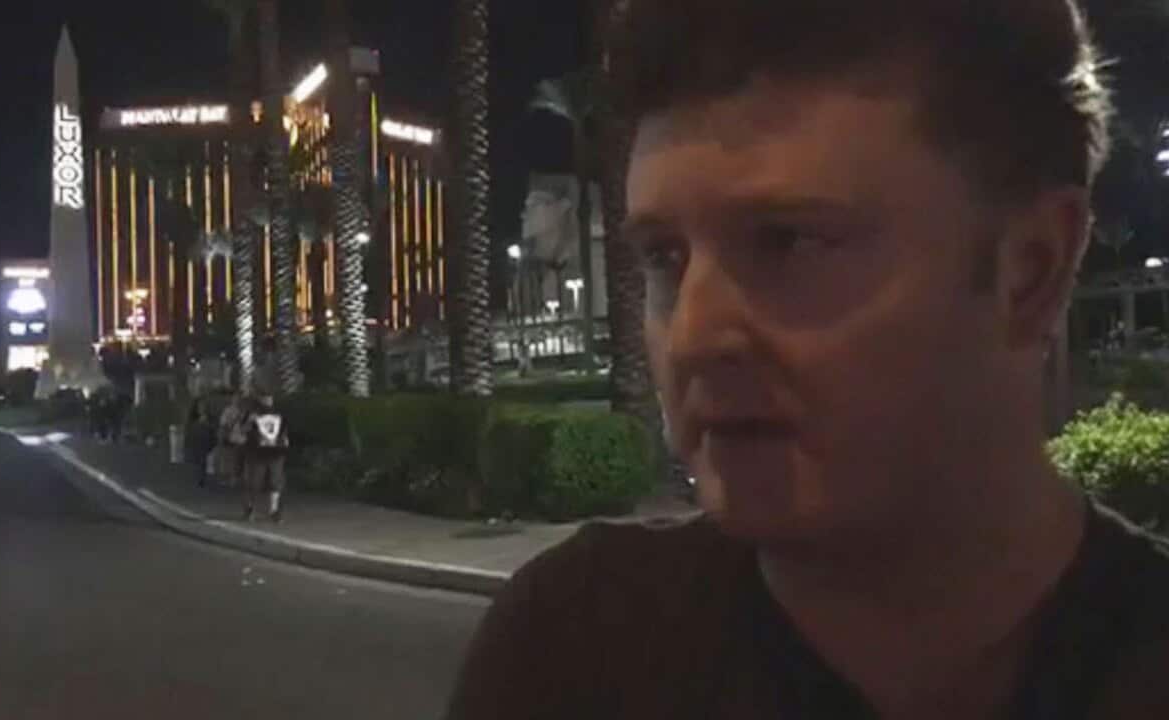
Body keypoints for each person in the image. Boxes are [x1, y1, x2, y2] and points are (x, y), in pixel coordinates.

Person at [447, 2, 1169, 718]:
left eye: (788, 242)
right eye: (665, 257)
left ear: (1031, 270)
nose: (693, 337)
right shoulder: (572, 651)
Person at [240, 392, 289, 523]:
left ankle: (274, 511)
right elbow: (242, 430)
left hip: (275, 452)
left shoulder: (279, 414)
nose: (267, 401)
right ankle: (250, 508)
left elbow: (284, 431)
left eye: (269, 398)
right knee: (255, 482)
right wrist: (250, 422)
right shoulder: (252, 414)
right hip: (257, 453)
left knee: (275, 482)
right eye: (265, 398)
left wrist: (284, 442)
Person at [216, 391, 249, 488]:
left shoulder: (245, 411)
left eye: (239, 399)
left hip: (241, 439)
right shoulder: (229, 410)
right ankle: (233, 479)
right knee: (233, 460)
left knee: (238, 460)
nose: (237, 400)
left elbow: (223, 424)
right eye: (235, 398)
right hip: (234, 438)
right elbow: (223, 424)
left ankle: (236, 479)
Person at [185, 396, 215, 488]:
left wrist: (206, 424)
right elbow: (189, 428)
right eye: (200, 406)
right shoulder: (193, 418)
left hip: (205, 441)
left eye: (204, 406)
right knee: (196, 460)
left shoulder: (209, 417)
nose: (202, 408)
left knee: (202, 460)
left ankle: (201, 479)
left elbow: (213, 428)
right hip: (195, 440)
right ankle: (198, 477)